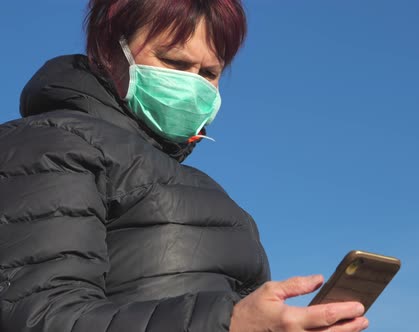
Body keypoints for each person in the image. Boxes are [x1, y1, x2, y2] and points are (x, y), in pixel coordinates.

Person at [0, 1, 369, 331]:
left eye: (208, 73)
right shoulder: (51, 143)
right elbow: (36, 314)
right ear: (110, 53)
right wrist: (228, 324)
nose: (191, 84)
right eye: (174, 62)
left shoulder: (208, 190)